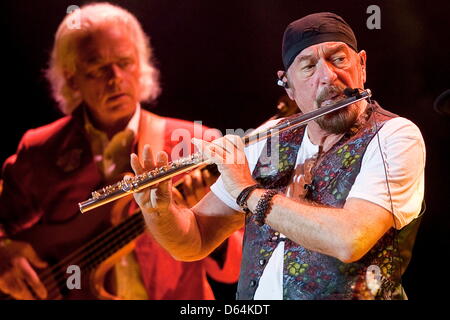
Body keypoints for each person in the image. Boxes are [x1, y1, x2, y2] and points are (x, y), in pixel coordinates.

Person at [130, 12, 426, 300]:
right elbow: (193, 241)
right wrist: (160, 211)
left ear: (361, 65)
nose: (328, 76)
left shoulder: (395, 136)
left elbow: (350, 240)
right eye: (309, 67)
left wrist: (247, 191)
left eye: (338, 59)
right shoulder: (272, 136)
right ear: (289, 85)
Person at [0, 2, 242, 300]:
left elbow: (234, 271)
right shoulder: (39, 150)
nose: (115, 78)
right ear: (72, 78)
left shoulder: (194, 143)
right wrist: (4, 253)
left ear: (140, 65)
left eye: (125, 62)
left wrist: (204, 229)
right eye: (97, 67)